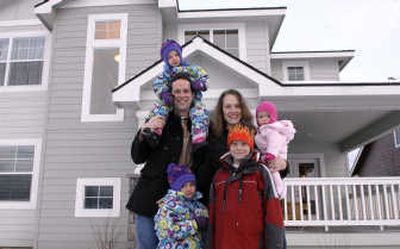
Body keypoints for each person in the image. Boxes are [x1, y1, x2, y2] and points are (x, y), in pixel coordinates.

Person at [126, 73, 200, 249]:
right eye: (177, 91)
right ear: (171, 95)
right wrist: (144, 130)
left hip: (182, 203)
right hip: (150, 199)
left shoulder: (200, 123)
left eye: (185, 91)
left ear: (192, 94)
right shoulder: (161, 118)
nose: (181, 95)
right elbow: (138, 156)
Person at [193, 89, 288, 205]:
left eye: (237, 106)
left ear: (242, 109)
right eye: (228, 107)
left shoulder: (256, 134)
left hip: (248, 202)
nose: (233, 110)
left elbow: (271, 164)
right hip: (218, 203)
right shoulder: (210, 134)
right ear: (221, 110)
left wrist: (283, 165)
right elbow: (200, 170)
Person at [207, 124, 285, 249]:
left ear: (250, 146)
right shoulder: (219, 176)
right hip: (224, 243)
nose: (239, 148)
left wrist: (276, 244)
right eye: (234, 144)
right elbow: (212, 216)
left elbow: (273, 211)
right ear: (229, 146)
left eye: (243, 144)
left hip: (252, 242)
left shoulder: (260, 172)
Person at [143, 39, 209, 149]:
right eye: (170, 57)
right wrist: (163, 93)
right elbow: (157, 84)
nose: (174, 59)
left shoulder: (191, 70)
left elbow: (204, 76)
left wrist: (201, 84)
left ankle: (199, 135)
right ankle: (155, 130)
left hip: (193, 100)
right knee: (160, 109)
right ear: (165, 60)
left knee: (199, 112)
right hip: (171, 100)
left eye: (176, 55)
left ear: (180, 55)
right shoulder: (166, 74)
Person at [154, 163, 208, 249]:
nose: (189, 189)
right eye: (183, 186)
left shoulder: (198, 205)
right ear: (176, 187)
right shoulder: (168, 206)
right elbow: (168, 232)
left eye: (192, 185)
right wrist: (194, 224)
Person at [255, 100, 296, 199]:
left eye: (267, 116)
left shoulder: (271, 129)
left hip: (276, 154)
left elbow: (274, 142)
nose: (264, 119)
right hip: (268, 154)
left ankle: (279, 190)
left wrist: (271, 154)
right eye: (261, 117)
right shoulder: (261, 130)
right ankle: (278, 189)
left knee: (273, 171)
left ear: (272, 117)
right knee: (271, 172)